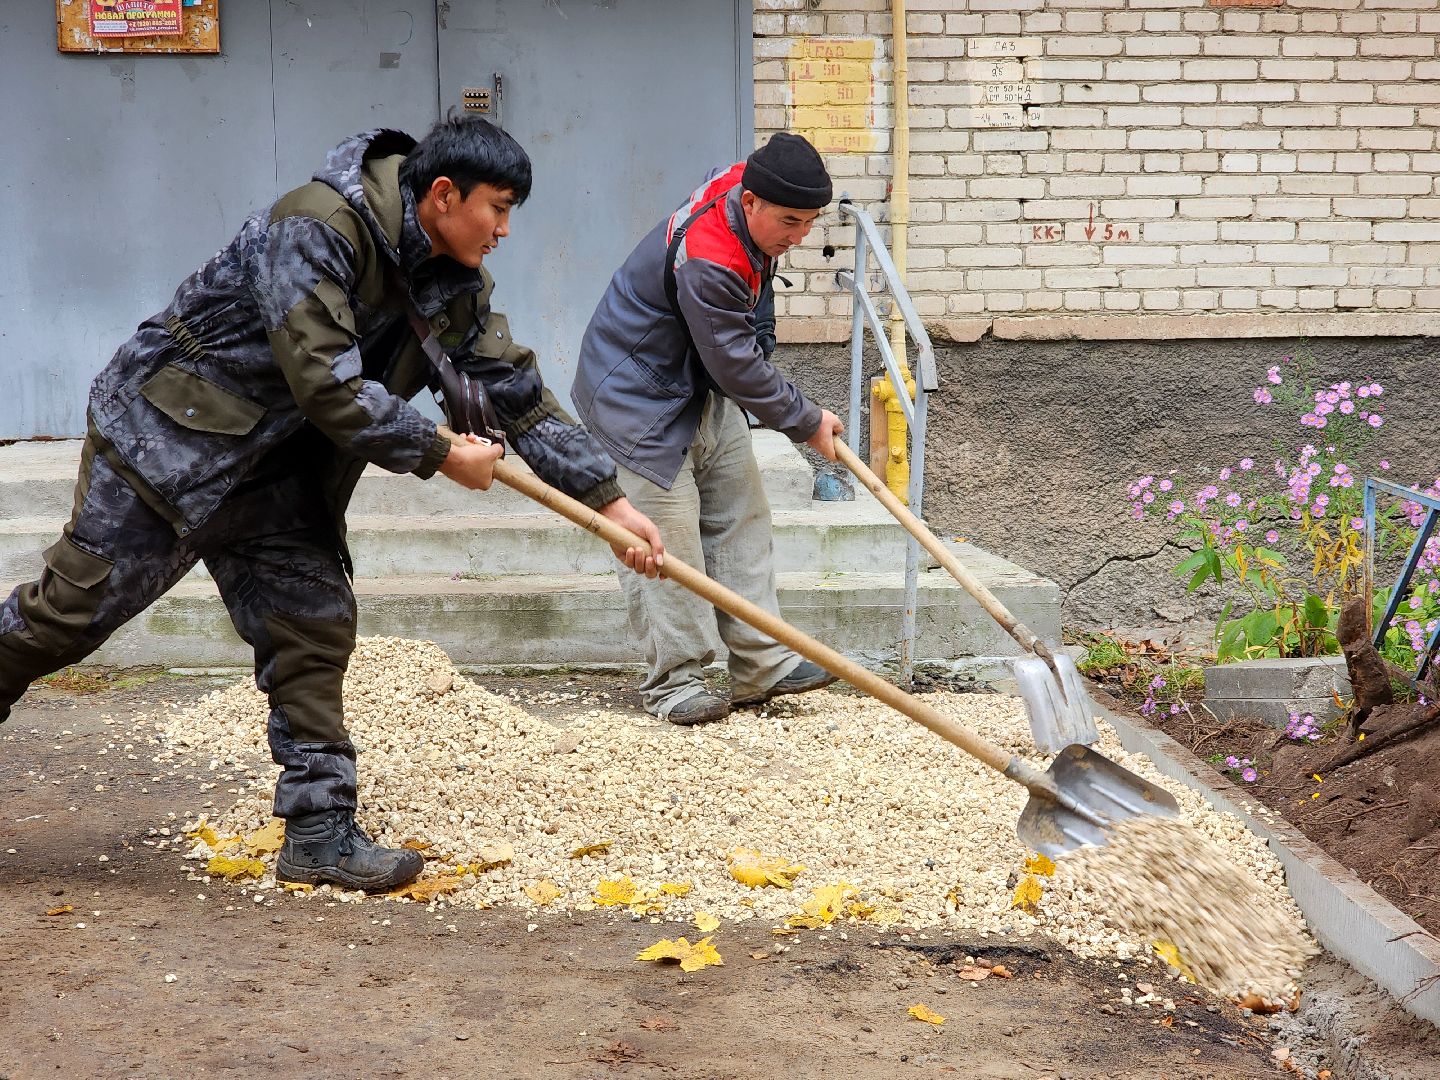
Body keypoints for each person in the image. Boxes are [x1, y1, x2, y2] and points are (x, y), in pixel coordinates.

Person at [0, 117, 663, 891]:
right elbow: (326, 382)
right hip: (172, 444)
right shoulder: (314, 227)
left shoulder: (452, 281)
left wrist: (607, 503)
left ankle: (319, 833)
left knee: (312, 624)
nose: (507, 229)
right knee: (64, 620)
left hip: (278, 472)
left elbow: (512, 389)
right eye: (500, 207)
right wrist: (442, 453)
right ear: (444, 195)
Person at [571, 133, 845, 726]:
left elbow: (745, 325)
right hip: (634, 396)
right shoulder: (709, 256)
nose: (799, 236)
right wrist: (805, 421)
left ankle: (760, 665)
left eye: (810, 222)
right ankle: (676, 683)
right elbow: (735, 362)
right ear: (750, 204)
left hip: (695, 385)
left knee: (741, 516)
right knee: (663, 543)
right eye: (791, 222)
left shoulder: (751, 190)